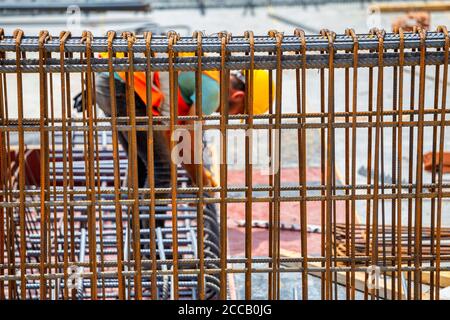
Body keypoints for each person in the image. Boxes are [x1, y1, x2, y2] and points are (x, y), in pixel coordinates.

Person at [74, 55, 273, 194]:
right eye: (240, 111)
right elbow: (184, 144)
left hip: (109, 83)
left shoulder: (212, 72)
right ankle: (153, 245)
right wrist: (201, 184)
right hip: (120, 89)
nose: (233, 116)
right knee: (162, 169)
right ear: (238, 96)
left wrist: (199, 176)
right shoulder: (214, 92)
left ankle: (138, 238)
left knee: (143, 164)